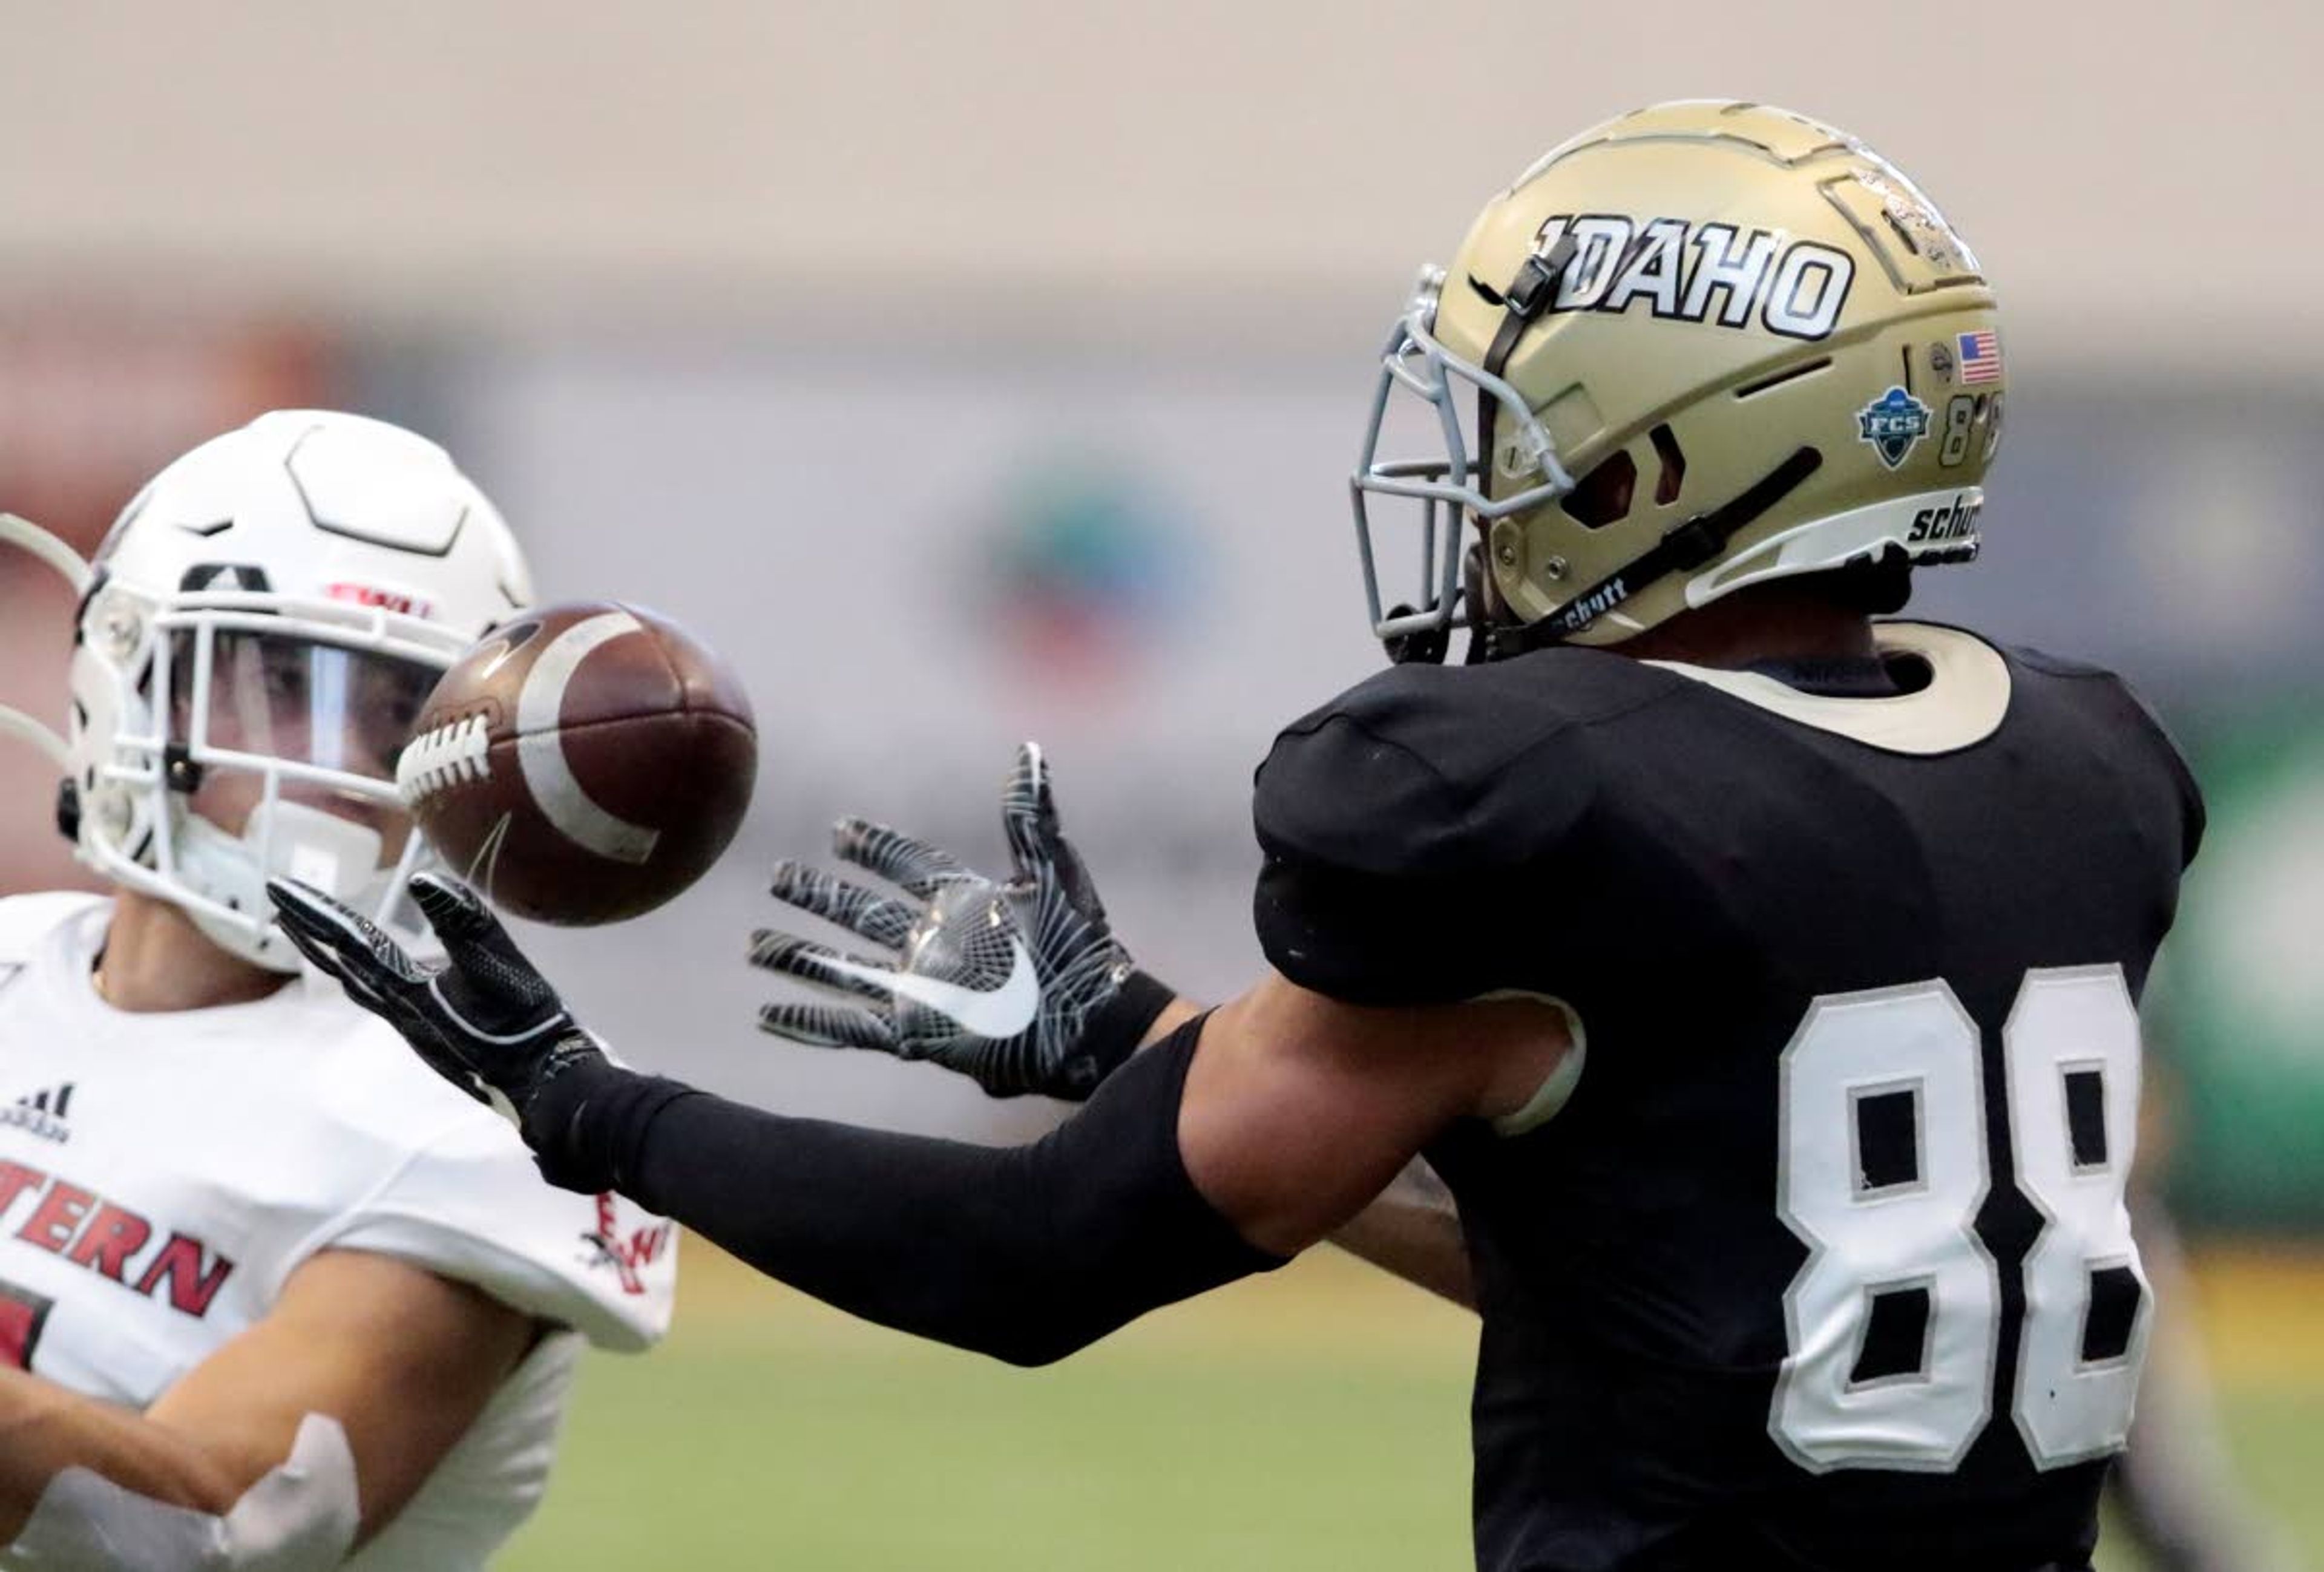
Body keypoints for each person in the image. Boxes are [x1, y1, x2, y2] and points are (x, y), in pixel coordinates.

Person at [273, 103, 2204, 1570]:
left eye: (1527, 429)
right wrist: (1133, 1035)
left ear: (1663, 459)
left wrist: (595, 1105)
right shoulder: (2081, 768)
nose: (1483, 476)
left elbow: (1035, 1256)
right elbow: (1654, 1276)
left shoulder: (1555, 797)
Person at [0, 411, 674, 1570]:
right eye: (273, 678)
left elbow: (220, 1527)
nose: (339, 765)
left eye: (395, 716)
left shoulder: (478, 1112)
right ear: (131, 679)